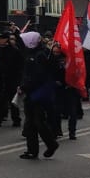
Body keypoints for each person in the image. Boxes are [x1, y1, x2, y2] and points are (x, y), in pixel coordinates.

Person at [17, 30, 61, 161]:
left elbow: (37, 76)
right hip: (34, 92)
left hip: (37, 93)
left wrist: (24, 87)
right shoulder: (36, 53)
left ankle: (50, 144)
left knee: (37, 122)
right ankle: (33, 150)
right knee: (32, 122)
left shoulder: (39, 55)